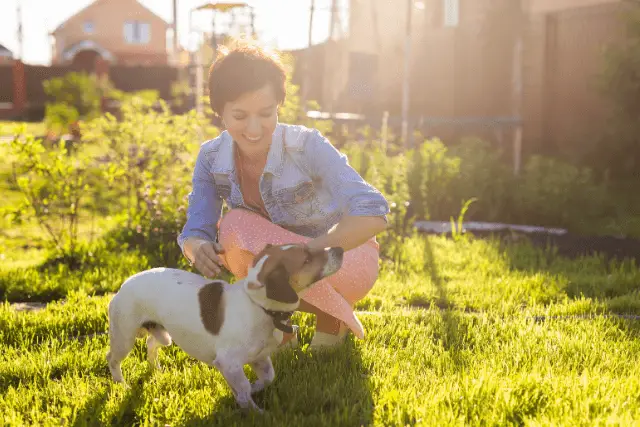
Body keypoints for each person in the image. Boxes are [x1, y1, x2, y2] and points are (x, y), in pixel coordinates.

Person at [177, 43, 390, 348]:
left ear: (279, 102)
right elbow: (196, 230)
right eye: (239, 115)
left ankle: (331, 314)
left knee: (236, 225)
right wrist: (196, 248)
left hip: (340, 262)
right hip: (285, 271)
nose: (254, 128)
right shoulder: (211, 158)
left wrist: (307, 255)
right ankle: (286, 323)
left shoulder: (306, 145)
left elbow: (373, 213)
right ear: (219, 111)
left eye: (266, 113)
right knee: (233, 233)